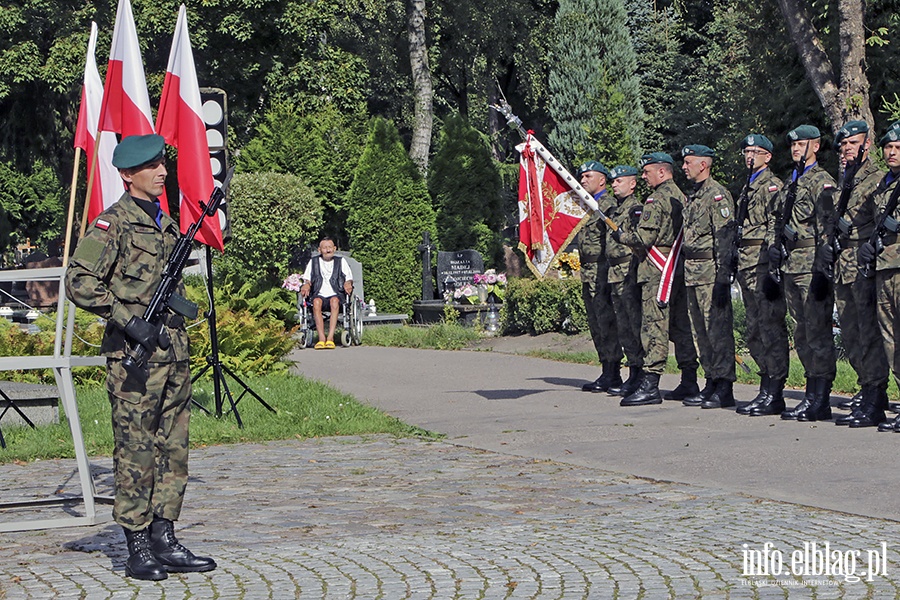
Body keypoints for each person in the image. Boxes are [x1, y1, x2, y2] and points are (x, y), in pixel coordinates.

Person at [65, 134, 216, 581]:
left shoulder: (166, 224)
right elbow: (78, 280)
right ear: (128, 174)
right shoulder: (113, 224)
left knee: (174, 447)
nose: (162, 171)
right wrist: (126, 319)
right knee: (136, 452)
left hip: (173, 354)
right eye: (151, 166)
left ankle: (164, 537)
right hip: (135, 357)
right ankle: (135, 546)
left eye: (162, 164)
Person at [766, 125, 837, 421]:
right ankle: (811, 392)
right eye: (793, 145)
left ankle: (819, 397)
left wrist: (822, 268)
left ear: (816, 147)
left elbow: (827, 227)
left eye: (802, 145)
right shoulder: (791, 181)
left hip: (810, 265)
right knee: (802, 331)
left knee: (817, 330)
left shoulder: (821, 181)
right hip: (791, 263)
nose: (796, 149)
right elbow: (779, 219)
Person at [614, 152, 690, 405]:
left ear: (661, 171)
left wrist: (622, 236)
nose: (643, 176)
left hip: (658, 270)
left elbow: (645, 238)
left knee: (654, 326)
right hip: (677, 266)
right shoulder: (681, 196)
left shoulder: (656, 199)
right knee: (680, 326)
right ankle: (689, 378)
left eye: (646, 172)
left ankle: (651, 385)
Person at [827, 121, 890, 427]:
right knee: (851, 333)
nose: (846, 149)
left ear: (866, 146)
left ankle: (876, 395)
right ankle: (865, 389)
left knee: (869, 333)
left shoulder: (877, 179)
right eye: (843, 145)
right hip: (843, 263)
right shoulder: (846, 180)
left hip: (863, 264)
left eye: (852, 143)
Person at [731, 134, 790, 416]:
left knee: (770, 327)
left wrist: (771, 266)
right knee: (754, 329)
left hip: (762, 263)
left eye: (755, 151)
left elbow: (775, 225)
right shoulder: (747, 187)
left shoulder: (772, 187)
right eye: (746, 151)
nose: (749, 156)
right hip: (746, 263)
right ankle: (765, 383)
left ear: (768, 156)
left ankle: (774, 389)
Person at [679, 145, 737, 408]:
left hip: (711, 273)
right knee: (699, 331)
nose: (684, 167)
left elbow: (724, 240)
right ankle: (710, 380)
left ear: (703, 165)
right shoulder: (695, 196)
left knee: (717, 330)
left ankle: (724, 385)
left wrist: (724, 277)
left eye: (688, 162)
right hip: (693, 272)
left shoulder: (717, 195)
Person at [858, 121, 900, 431]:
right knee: (891, 341)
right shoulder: (884, 185)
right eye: (888, 147)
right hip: (884, 269)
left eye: (898, 147)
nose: (892, 152)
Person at [575, 161, 624, 393]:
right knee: (596, 323)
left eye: (587, 176)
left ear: (601, 180)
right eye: (581, 176)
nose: (583, 180)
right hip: (588, 272)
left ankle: (613, 371)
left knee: (607, 323)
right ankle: (606, 367)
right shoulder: (585, 206)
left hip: (603, 272)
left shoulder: (607, 207)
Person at [604, 165, 645, 397]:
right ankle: (632, 372)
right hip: (615, 273)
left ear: (632, 183)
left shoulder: (636, 209)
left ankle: (639, 372)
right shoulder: (615, 210)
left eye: (619, 181)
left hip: (628, 271)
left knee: (634, 323)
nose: (614, 184)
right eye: (613, 181)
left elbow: (638, 241)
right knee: (624, 326)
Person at [300, 237, 354, 349]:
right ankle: (321, 339)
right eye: (325, 248)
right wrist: (306, 285)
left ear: (334, 248)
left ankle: (330, 338)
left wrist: (348, 283)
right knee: (316, 302)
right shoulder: (313, 262)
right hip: (318, 294)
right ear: (320, 250)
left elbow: (348, 278)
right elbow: (307, 279)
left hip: (336, 294)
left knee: (334, 301)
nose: (328, 250)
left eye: (330, 247)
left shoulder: (341, 261)